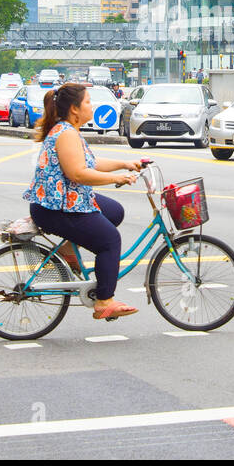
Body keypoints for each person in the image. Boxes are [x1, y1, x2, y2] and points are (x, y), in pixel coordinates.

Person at [25, 82, 144, 320]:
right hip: (56, 208)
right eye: (88, 101)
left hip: (65, 201)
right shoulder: (66, 133)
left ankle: (69, 249)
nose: (92, 105)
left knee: (114, 211)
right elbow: (78, 173)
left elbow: (89, 163)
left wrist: (124, 163)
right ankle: (104, 301)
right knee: (109, 240)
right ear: (75, 109)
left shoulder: (68, 130)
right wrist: (116, 178)